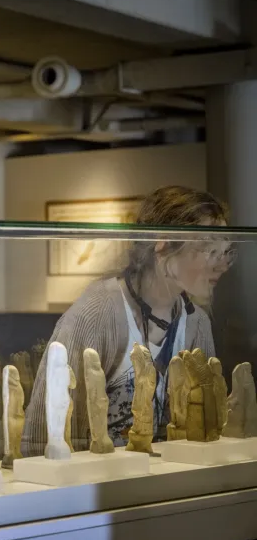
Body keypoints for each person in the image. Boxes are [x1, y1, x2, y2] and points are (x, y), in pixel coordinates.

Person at [22, 186, 233, 456]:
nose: (221, 265)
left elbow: (208, 428)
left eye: (225, 252)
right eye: (208, 250)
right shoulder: (97, 314)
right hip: (100, 488)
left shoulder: (196, 323)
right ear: (163, 245)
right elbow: (42, 435)